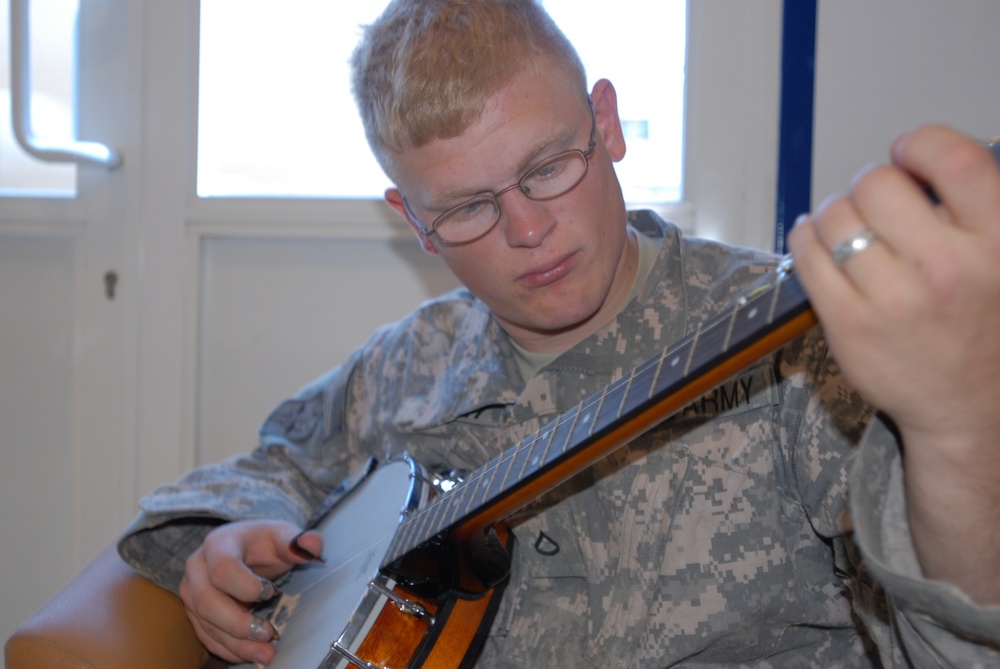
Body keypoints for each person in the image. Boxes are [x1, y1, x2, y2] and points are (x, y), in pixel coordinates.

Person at [118, 0, 1000, 666]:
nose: (526, 230)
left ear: (605, 123)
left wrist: (960, 426)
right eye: (465, 208)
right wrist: (229, 542)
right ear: (410, 221)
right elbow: (263, 467)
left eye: (548, 167)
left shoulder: (802, 348)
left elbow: (961, 638)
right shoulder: (410, 360)